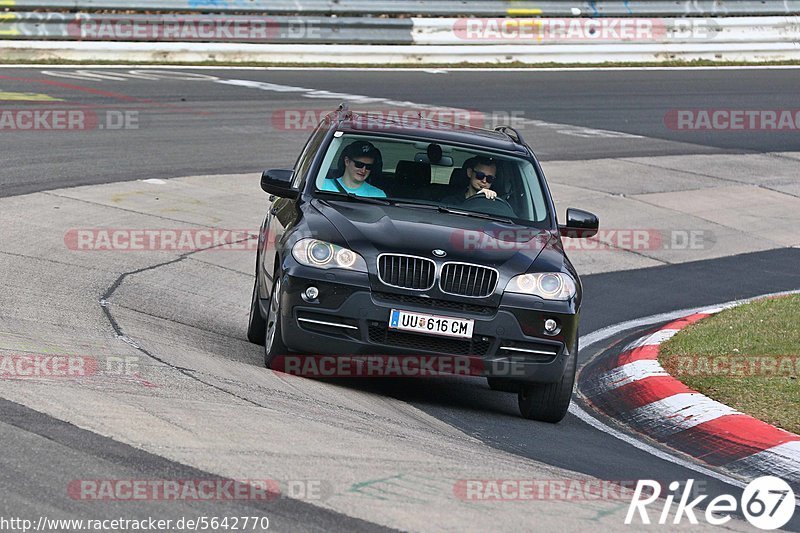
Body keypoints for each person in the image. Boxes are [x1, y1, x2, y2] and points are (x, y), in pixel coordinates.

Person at [319, 140, 387, 198]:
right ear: (347, 161)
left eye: (368, 167)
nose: (363, 170)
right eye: (359, 164)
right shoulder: (322, 185)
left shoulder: (377, 195)